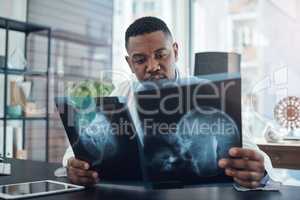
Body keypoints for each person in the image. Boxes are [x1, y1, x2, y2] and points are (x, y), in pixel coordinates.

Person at [63, 16, 275, 188]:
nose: (152, 66)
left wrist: (259, 171)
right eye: (140, 60)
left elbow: (257, 157)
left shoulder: (209, 93)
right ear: (129, 63)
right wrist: (73, 167)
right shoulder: (119, 96)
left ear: (175, 51)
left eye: (160, 55)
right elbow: (72, 153)